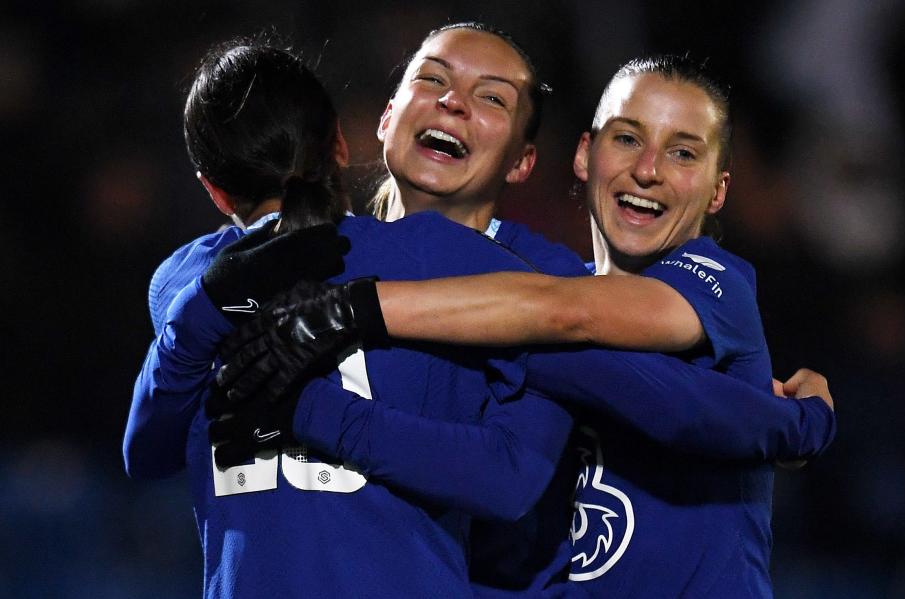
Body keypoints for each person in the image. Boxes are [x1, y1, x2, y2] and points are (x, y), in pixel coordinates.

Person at [214, 36, 835, 598]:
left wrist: (344, 324)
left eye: (682, 153)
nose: (648, 169)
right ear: (585, 155)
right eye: (627, 137)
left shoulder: (694, 282)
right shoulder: (309, 260)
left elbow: (561, 334)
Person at [123, 37, 582, 597]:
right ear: (359, 133)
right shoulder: (505, 274)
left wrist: (221, 319)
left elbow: (143, 454)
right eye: (433, 80)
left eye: (491, 98)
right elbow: (516, 464)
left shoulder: (184, 282)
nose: (454, 103)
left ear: (214, 191)